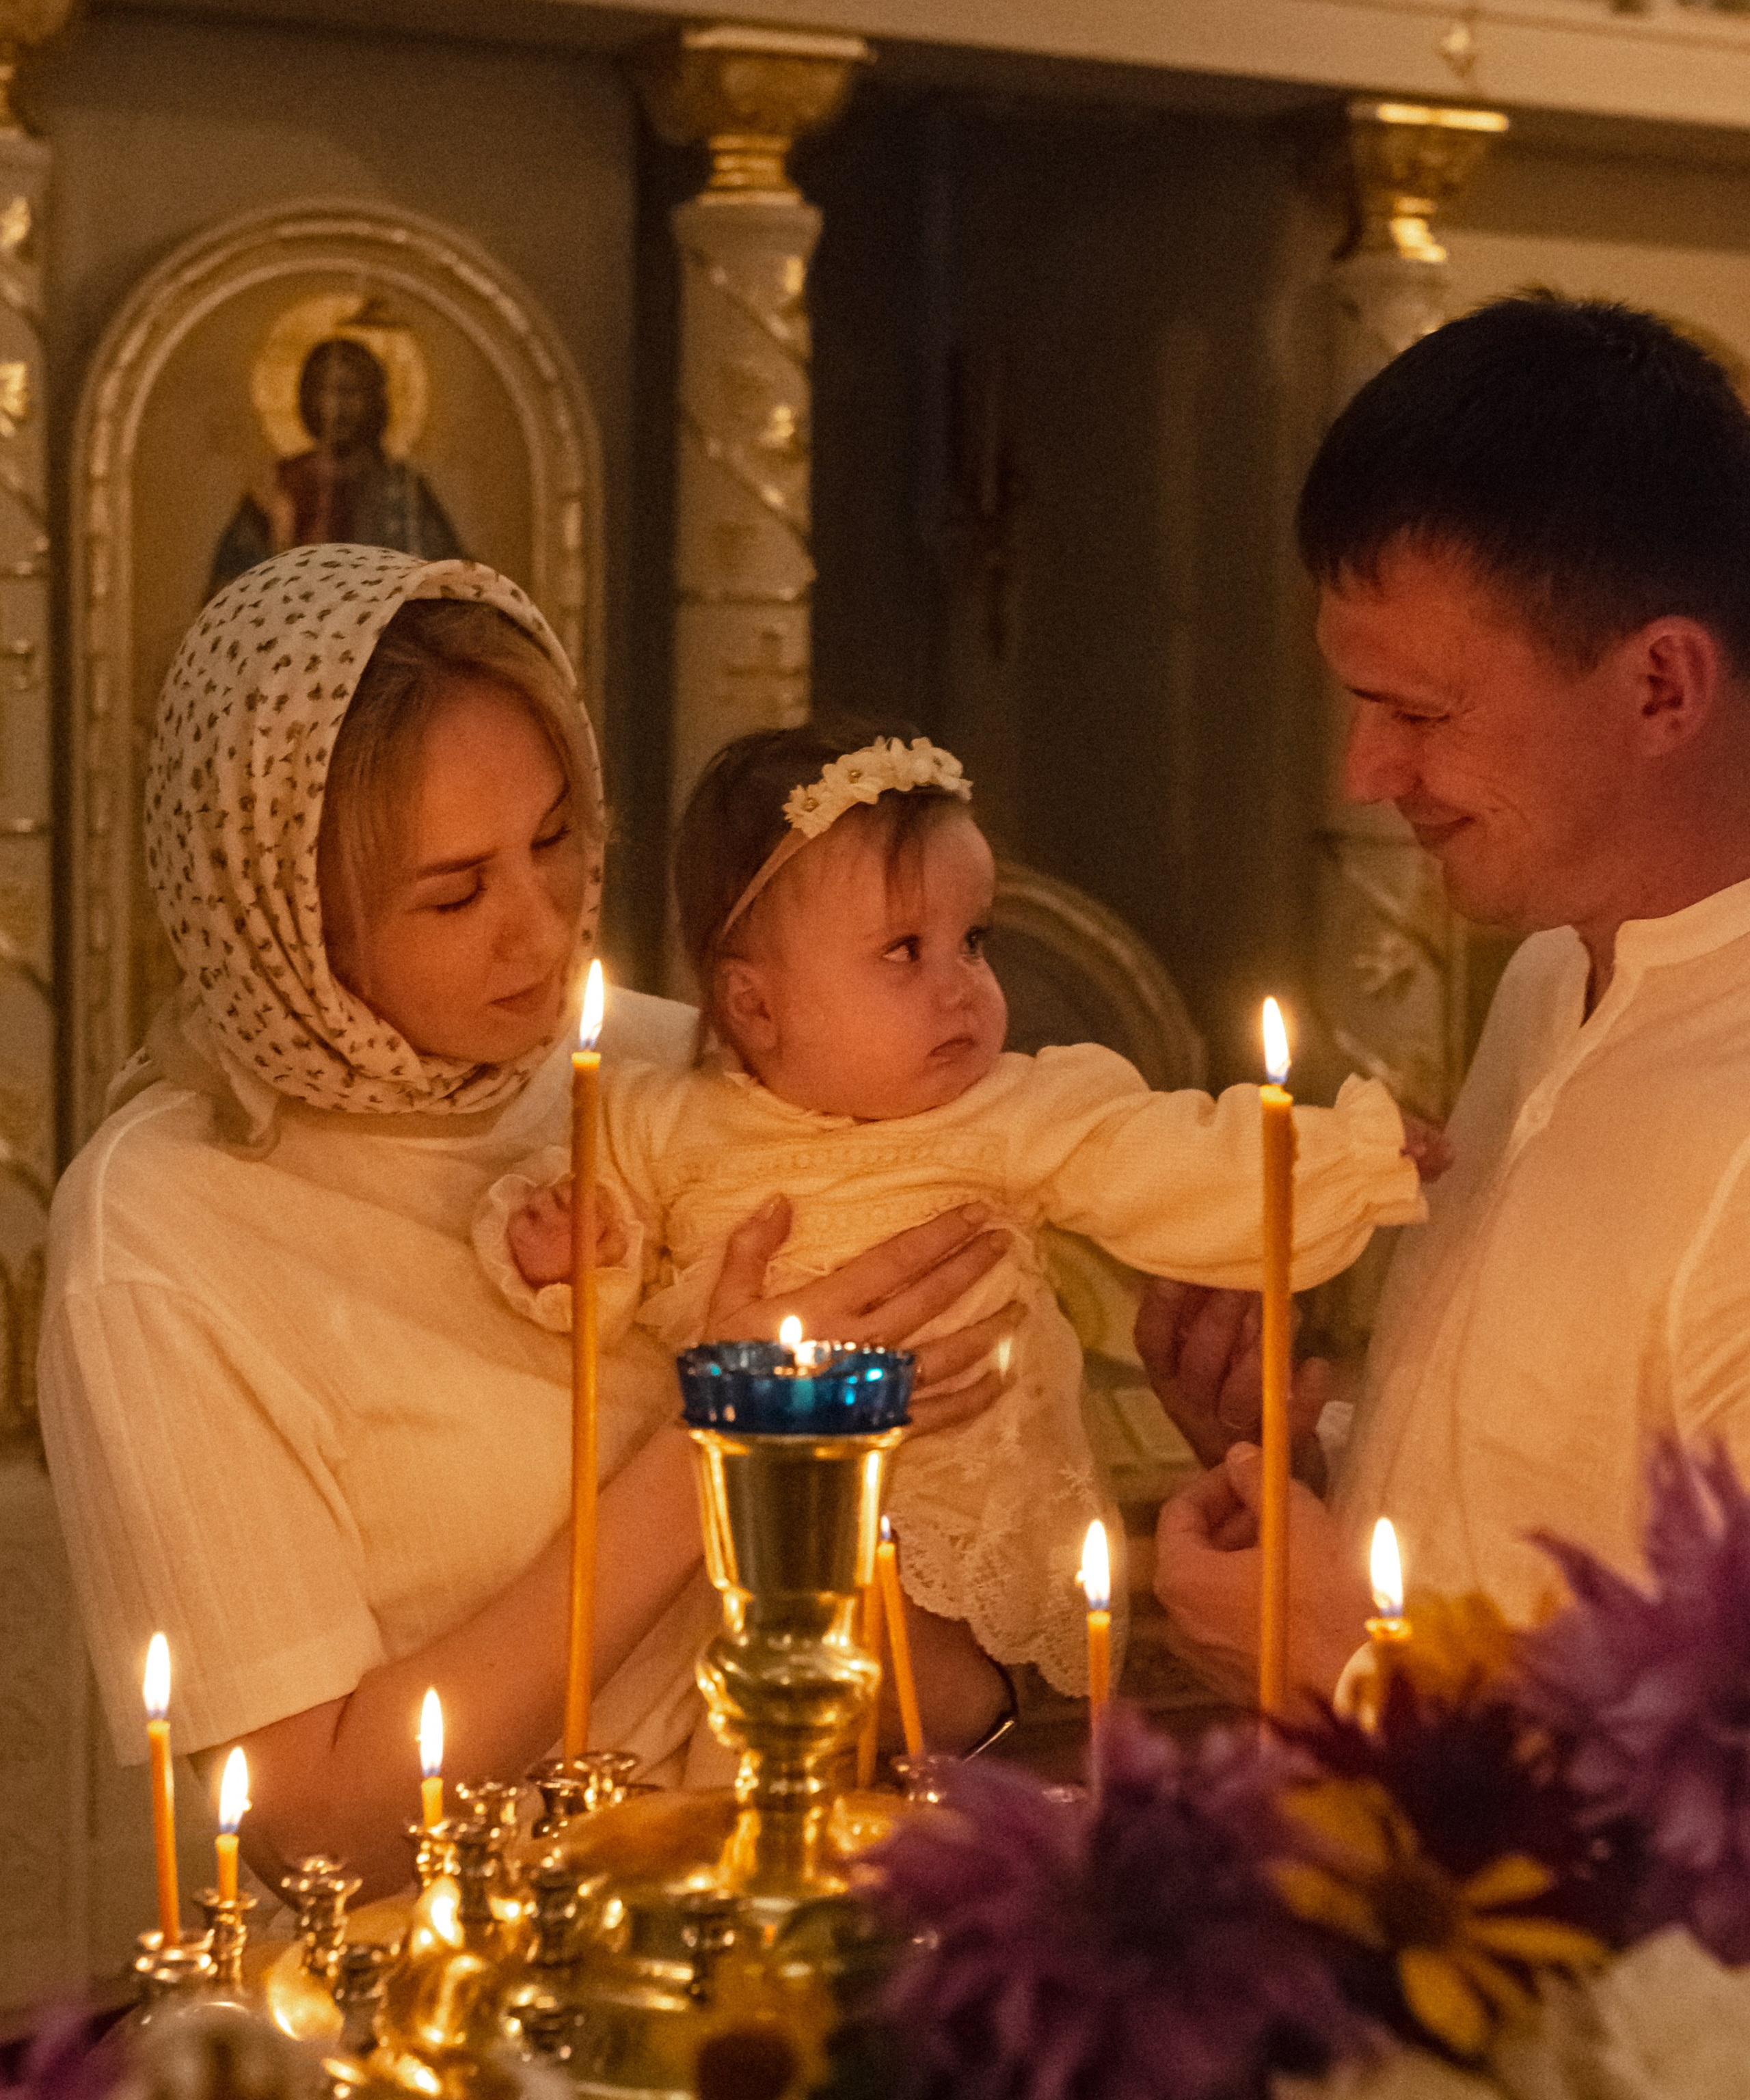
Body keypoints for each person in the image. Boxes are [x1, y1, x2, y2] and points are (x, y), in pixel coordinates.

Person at [38, 547, 1021, 1898]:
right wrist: (722, 1438)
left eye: (555, 841)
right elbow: (318, 1832)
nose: (544, 931)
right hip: (453, 1986)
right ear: (285, 913)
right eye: (455, 892)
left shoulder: (685, 1074)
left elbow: (950, 1664)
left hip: (813, 1903)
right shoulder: (163, 1230)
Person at [474, 718, 1430, 1715]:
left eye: (974, 942)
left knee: (877, 1702)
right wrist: (571, 1250)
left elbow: (1172, 1159)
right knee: (759, 1714)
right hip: (744, 1526)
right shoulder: (658, 1118)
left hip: (960, 1511)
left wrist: (1348, 1157)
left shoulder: (1010, 1110)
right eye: (905, 951)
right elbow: (597, 1226)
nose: (962, 987)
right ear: (755, 1006)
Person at [1146, 294, 1750, 1705]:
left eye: (1420, 714)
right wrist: (1293, 1462)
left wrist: (1337, 1666)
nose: (1364, 774)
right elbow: (1534, 1524)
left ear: (1660, 685)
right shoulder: (1547, 977)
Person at [207, 336, 464, 598]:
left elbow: (450, 579)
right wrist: (278, 542)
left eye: (348, 392)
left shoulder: (401, 489)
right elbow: (229, 591)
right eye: (322, 391)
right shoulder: (277, 485)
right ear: (306, 398)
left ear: (373, 400)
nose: (335, 408)